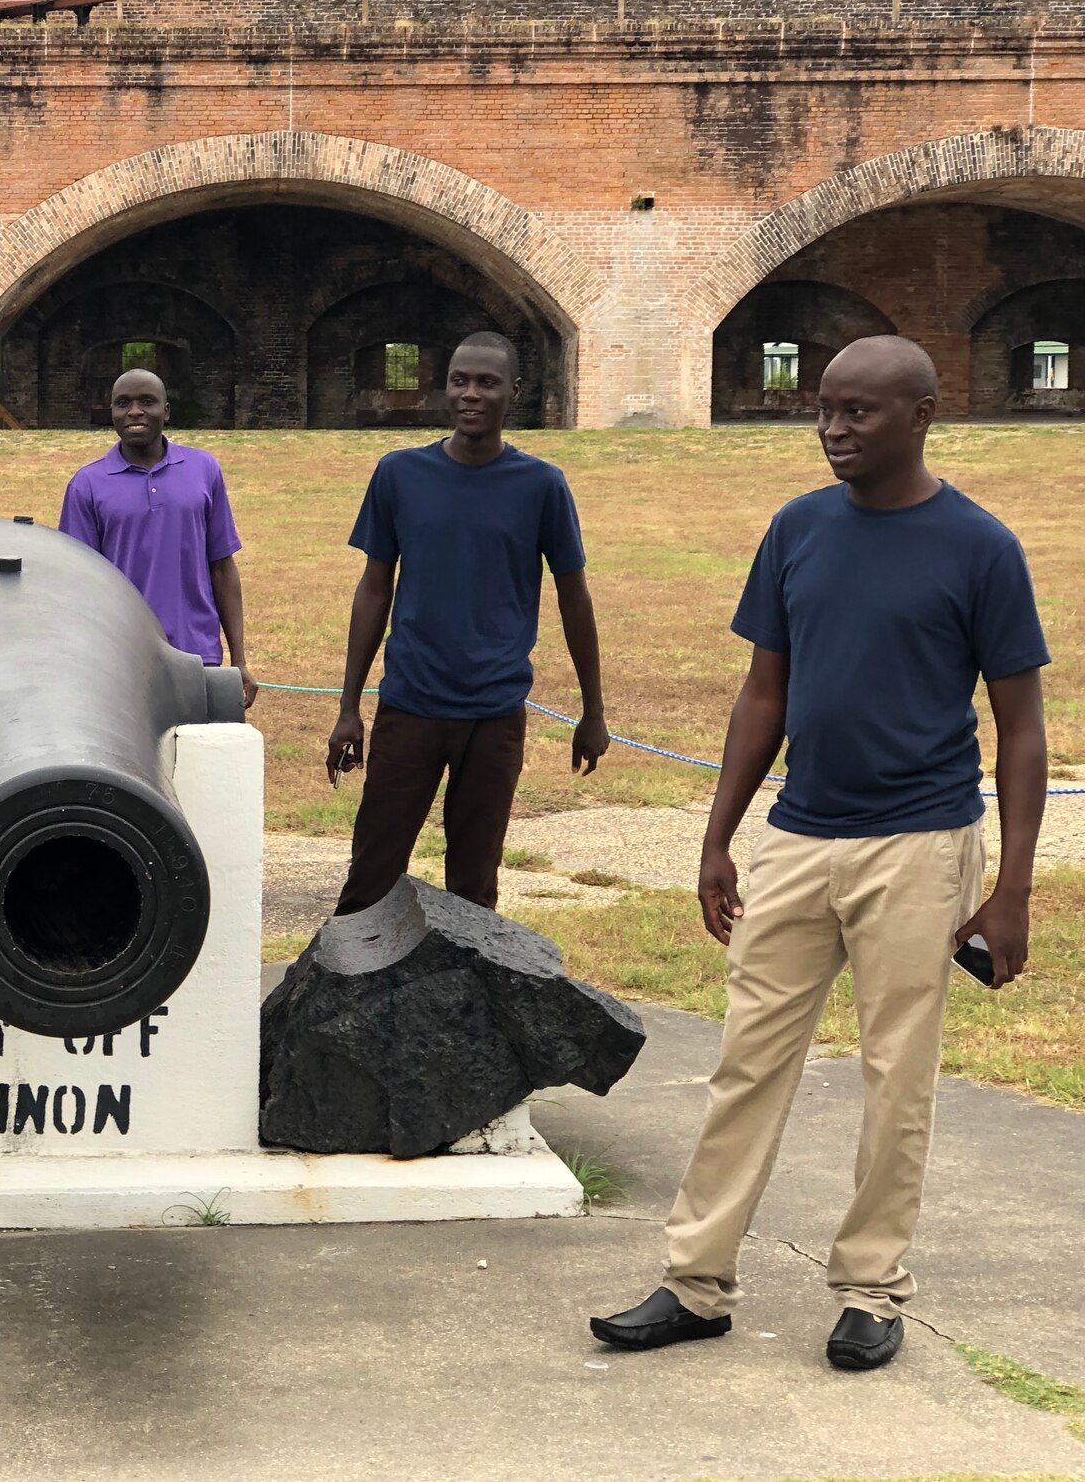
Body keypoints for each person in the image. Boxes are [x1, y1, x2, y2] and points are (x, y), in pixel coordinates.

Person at [591, 336, 1048, 1373]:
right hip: (798, 836)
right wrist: (716, 835)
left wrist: (1009, 888)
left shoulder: (978, 546)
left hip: (921, 842)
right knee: (744, 1063)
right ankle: (693, 1282)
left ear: (922, 414)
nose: (832, 430)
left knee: (897, 1079)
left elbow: (1018, 726)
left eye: (857, 413)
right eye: (824, 410)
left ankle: (870, 1289)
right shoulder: (796, 527)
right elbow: (764, 692)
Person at [326, 332, 608, 913]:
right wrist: (349, 708)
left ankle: (469, 1002)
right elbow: (374, 589)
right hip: (410, 705)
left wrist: (593, 711)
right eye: (460, 381)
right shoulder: (400, 474)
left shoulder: (540, 485)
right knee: (371, 878)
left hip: (494, 713)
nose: (471, 394)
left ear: (515, 393)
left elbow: (574, 597)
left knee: (474, 890)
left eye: (487, 382)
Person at [58, 369, 256, 707]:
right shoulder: (87, 485)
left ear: (166, 411)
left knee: (195, 755)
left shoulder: (203, 470)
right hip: (120, 658)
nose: (134, 412)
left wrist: (239, 660)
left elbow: (222, 568)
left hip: (197, 654)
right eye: (123, 404)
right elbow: (78, 588)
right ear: (112, 414)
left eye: (147, 402)